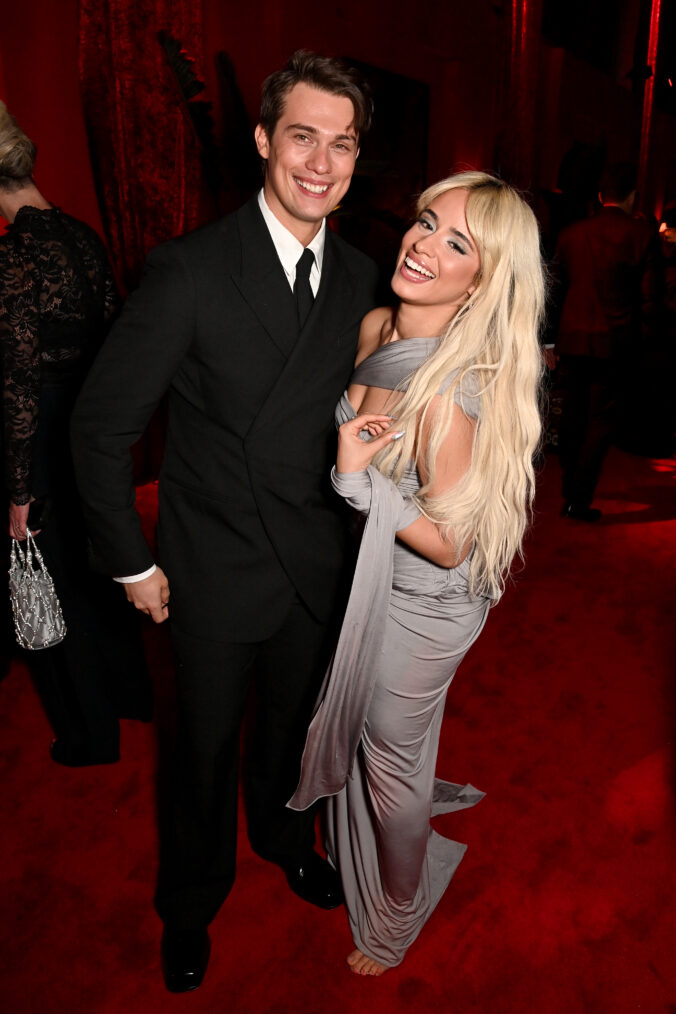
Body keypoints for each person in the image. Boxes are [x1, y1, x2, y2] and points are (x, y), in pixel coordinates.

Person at [70, 52, 378, 992]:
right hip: (209, 573)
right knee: (198, 755)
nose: (321, 164)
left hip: (314, 569)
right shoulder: (192, 271)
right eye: (301, 138)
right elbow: (98, 426)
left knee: (292, 734)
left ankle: (284, 839)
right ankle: (192, 900)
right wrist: (130, 564)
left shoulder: (367, 276)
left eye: (343, 144)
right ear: (262, 141)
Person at [289, 171, 545, 974]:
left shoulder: (445, 397)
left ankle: (398, 910)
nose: (425, 245)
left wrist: (355, 480)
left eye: (457, 243)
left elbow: (451, 545)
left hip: (427, 597)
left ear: (484, 278)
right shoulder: (376, 326)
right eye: (427, 222)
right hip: (382, 574)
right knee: (396, 738)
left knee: (388, 762)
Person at [0, 101, 151, 766]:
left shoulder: (14, 260)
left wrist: (18, 494)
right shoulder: (85, 238)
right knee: (99, 576)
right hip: (93, 439)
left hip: (44, 447)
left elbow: (19, 391)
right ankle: (131, 694)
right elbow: (119, 347)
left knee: (53, 590)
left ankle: (91, 736)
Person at [553, 162, 656, 520]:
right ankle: (578, 498)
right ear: (632, 196)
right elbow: (649, 298)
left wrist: (551, 339)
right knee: (602, 418)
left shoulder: (571, 234)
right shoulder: (641, 235)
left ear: (600, 196)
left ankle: (569, 488)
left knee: (574, 412)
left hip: (573, 336)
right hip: (616, 340)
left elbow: (556, 289)